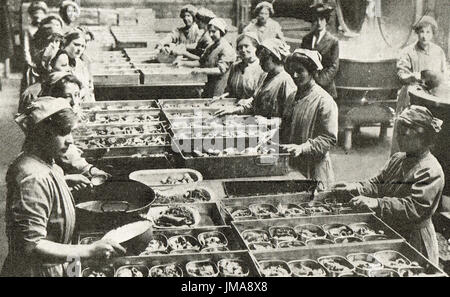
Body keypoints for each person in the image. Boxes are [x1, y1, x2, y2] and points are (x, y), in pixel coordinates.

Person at [2, 97, 125, 277]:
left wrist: (62, 181)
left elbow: (41, 194)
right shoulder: (33, 177)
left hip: (58, 260)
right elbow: (32, 245)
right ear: (41, 133)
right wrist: (89, 250)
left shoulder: (46, 162)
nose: (70, 141)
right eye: (63, 133)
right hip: (38, 270)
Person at [332, 105, 444, 265]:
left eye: (404, 134)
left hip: (414, 239)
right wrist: (357, 187)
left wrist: (377, 203)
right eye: (398, 133)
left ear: (421, 138)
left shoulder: (430, 169)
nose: (398, 138)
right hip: (393, 227)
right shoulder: (398, 158)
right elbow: (378, 183)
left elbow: (413, 208)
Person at [280, 49, 338, 190]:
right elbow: (286, 129)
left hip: (315, 170)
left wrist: (303, 147)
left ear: (312, 72)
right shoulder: (291, 97)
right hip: (293, 167)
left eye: (300, 71)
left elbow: (328, 139)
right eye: (292, 71)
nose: (294, 75)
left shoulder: (324, 101)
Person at [391, 16, 447, 154]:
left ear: (433, 34)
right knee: (408, 131)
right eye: (422, 32)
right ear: (417, 33)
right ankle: (400, 165)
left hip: (432, 96)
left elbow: (443, 73)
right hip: (411, 95)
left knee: (430, 132)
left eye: (428, 32)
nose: (424, 36)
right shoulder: (408, 52)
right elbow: (401, 74)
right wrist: (418, 76)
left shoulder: (438, 51)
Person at [216, 38, 296, 118]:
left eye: (264, 60)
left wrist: (268, 122)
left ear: (274, 57)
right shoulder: (266, 77)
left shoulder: (285, 81)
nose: (260, 63)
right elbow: (254, 105)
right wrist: (234, 110)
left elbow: (290, 118)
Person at [175, 18, 236, 98]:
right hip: (208, 83)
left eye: (213, 32)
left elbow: (220, 70)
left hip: (220, 85)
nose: (210, 34)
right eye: (209, 31)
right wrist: (183, 63)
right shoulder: (211, 46)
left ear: (221, 32)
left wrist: (201, 70)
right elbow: (201, 62)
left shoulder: (226, 48)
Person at [300, 3, 339, 99]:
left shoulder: (333, 41)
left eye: (321, 19)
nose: (319, 23)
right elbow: (301, 60)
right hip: (307, 85)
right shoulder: (306, 39)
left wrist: (319, 81)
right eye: (316, 19)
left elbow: (333, 67)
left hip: (325, 88)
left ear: (326, 21)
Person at [222, 32, 266, 101]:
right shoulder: (235, 67)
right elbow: (229, 90)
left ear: (256, 47)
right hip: (233, 107)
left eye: (246, 46)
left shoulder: (263, 68)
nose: (243, 50)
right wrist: (222, 97)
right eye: (240, 47)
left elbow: (261, 95)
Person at [63, 30, 95, 102]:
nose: (79, 49)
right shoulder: (61, 59)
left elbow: (87, 86)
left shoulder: (80, 62)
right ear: (66, 43)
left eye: (83, 46)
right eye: (76, 44)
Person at [22, 1, 48, 71]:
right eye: (35, 14)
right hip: (32, 60)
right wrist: (28, 60)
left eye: (41, 14)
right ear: (31, 15)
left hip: (45, 60)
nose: (38, 17)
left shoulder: (47, 29)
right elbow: (26, 47)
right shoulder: (28, 30)